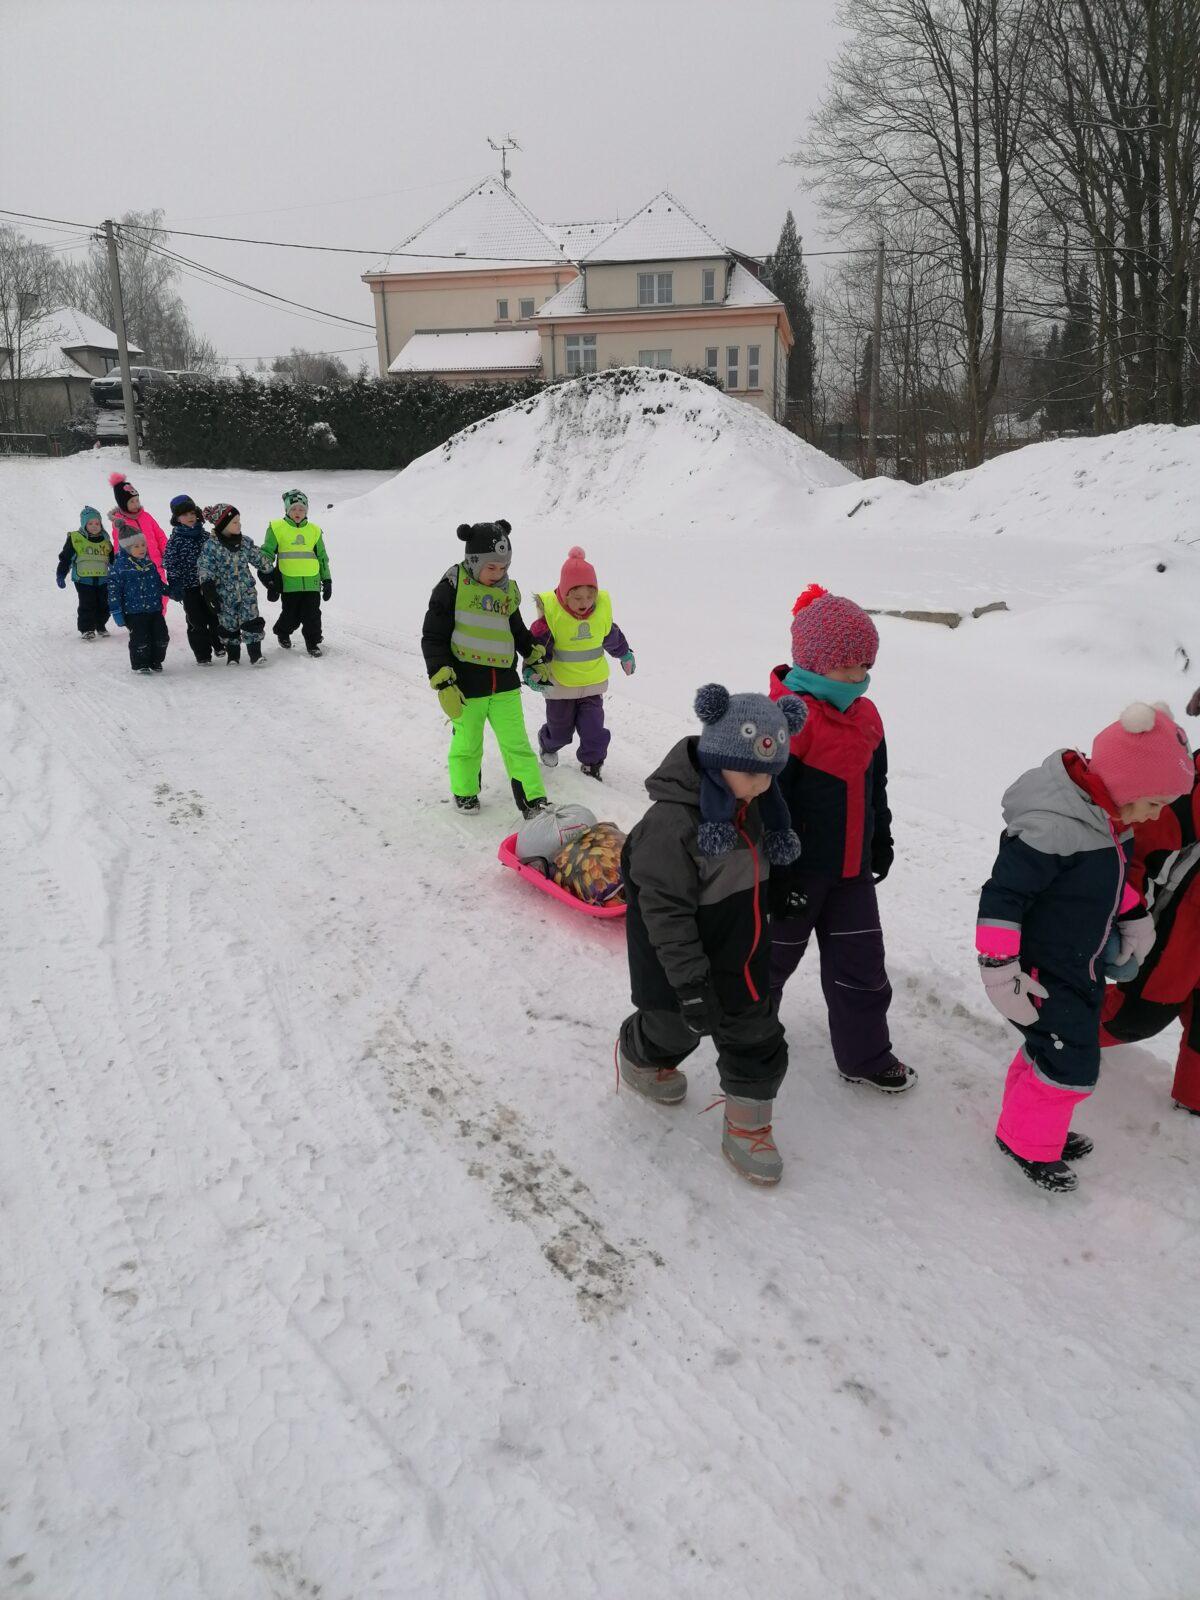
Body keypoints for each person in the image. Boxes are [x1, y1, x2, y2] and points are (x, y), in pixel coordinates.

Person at [977, 702, 1194, 1192]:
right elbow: (1002, 898)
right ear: (1126, 783)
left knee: (1049, 1047)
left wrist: (1135, 915)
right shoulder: (1054, 828)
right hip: (1040, 968)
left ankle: (1031, 1125)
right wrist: (998, 966)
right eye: (1155, 802)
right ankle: (1028, 1143)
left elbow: (1111, 878)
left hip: (1080, 961)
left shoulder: (1107, 820)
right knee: (1069, 1056)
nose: (1158, 814)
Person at [617, 683, 806, 1186]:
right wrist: (688, 981)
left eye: (771, 775)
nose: (763, 786)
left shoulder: (755, 803)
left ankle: (748, 1128)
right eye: (752, 774)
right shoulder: (672, 824)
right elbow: (666, 913)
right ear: (718, 757)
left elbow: (758, 866)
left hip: (742, 957)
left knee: (758, 1037)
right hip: (678, 962)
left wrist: (784, 890)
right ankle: (639, 1053)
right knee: (673, 1029)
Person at [767, 585, 914, 1092]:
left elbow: (877, 786)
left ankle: (865, 1056)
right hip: (796, 876)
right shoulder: (788, 719)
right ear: (813, 662)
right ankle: (749, 1042)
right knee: (768, 964)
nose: (860, 676)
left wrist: (881, 838)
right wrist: (775, 874)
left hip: (851, 874)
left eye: (865, 664)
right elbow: (767, 801)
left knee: (863, 967)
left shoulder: (867, 717)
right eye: (848, 666)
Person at [421, 519, 553, 817]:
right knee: (468, 745)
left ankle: (534, 800)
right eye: (491, 568)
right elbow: (434, 637)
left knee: (517, 745)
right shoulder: (451, 589)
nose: (498, 574)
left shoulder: (507, 592)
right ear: (473, 561)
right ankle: (465, 791)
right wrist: (442, 679)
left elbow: (516, 630)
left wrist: (533, 653)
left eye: (503, 567)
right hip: (467, 688)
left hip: (505, 684)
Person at [1101, 743, 1200, 1113]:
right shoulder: (1180, 794)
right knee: (1134, 1017)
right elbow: (1128, 858)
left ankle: (1194, 1101)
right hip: (1174, 936)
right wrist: (1130, 916)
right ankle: (1055, 1032)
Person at [529, 545, 635, 781]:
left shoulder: (599, 614)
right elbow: (537, 649)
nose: (585, 602)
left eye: (590, 596)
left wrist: (625, 654)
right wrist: (533, 671)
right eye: (577, 597)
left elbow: (612, 636)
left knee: (594, 730)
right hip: (560, 686)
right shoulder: (552, 618)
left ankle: (592, 763)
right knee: (560, 732)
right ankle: (547, 743)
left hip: (591, 682)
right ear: (565, 593)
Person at [196, 504, 272, 666]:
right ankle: (233, 656)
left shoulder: (244, 542)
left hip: (247, 592)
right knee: (228, 625)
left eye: (239, 521)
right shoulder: (211, 546)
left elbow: (258, 557)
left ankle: (255, 654)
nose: (239, 524)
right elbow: (205, 568)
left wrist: (271, 573)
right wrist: (209, 591)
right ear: (223, 525)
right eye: (235, 522)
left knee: (252, 621)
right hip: (224, 595)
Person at [260, 488, 331, 658]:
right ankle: (282, 631)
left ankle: (312, 642)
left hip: (312, 581)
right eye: (293, 509)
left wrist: (327, 579)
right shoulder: (277, 528)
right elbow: (267, 554)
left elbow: (322, 557)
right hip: (288, 581)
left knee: (312, 614)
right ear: (287, 510)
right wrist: (268, 577)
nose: (297, 512)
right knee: (291, 614)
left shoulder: (314, 530)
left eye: (301, 509)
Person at [164, 495, 224, 664]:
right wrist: (175, 584)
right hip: (188, 588)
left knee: (215, 615)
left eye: (192, 513)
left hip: (208, 585)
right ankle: (202, 654)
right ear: (176, 518)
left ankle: (219, 644)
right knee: (196, 621)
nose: (189, 517)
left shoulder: (205, 536)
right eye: (184, 514)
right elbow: (171, 564)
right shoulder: (175, 541)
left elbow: (216, 557)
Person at [107, 525, 168, 674]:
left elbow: (158, 584)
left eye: (143, 545)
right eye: (136, 546)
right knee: (140, 640)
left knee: (162, 637)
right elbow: (113, 591)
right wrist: (116, 612)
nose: (142, 548)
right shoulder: (120, 567)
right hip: (134, 612)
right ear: (127, 548)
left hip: (154, 609)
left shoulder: (149, 564)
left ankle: (156, 660)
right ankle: (141, 664)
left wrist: (172, 591)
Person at [107, 473, 168, 613]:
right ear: (123, 503)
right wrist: (121, 565)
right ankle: (141, 624)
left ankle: (159, 620)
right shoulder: (120, 523)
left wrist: (167, 553)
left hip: (156, 564)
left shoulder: (147, 517)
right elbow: (119, 545)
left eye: (137, 500)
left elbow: (160, 536)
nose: (136, 504)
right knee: (140, 596)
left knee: (161, 594)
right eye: (131, 502)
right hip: (134, 569)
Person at [56, 507, 112, 639]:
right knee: (87, 604)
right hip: (83, 580)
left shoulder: (105, 540)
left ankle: (100, 625)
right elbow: (66, 558)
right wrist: (61, 574)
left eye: (97, 523)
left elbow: (113, 559)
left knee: (104, 604)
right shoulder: (76, 539)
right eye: (90, 523)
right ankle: (87, 628)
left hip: (103, 579)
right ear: (84, 524)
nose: (94, 526)